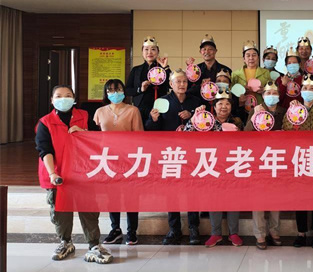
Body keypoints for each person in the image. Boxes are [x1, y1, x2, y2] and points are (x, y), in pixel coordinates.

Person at [35, 85, 113, 264]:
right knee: (60, 211)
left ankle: (94, 244)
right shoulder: (45, 122)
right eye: (59, 96)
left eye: (68, 95)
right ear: (52, 100)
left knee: (89, 210)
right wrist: (52, 173)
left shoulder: (84, 116)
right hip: (58, 174)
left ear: (74, 99)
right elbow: (44, 150)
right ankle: (65, 242)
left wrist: (83, 132)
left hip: (83, 172)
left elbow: (99, 138)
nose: (63, 99)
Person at [146, 69, 202, 245]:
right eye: (178, 81)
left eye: (184, 81)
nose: (182, 84)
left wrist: (192, 115)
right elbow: (151, 129)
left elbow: (204, 125)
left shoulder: (195, 101)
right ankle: (174, 229)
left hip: (191, 153)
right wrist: (154, 119)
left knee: (192, 191)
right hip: (170, 153)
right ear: (171, 84)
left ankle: (194, 228)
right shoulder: (162, 102)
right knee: (172, 192)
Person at [94, 79, 144, 246]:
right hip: (108, 159)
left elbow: (139, 135)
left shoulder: (133, 110)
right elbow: (94, 136)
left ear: (124, 91)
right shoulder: (100, 112)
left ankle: (132, 231)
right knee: (112, 195)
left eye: (118, 89)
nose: (115, 93)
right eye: (111, 90)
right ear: (106, 93)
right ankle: (115, 229)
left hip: (129, 159)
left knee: (131, 195)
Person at [283, 74, 313, 249]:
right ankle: (301, 233)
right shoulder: (293, 109)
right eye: (305, 88)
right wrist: (292, 115)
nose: (308, 91)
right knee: (300, 197)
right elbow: (286, 129)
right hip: (299, 157)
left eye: (311, 88)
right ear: (300, 91)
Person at [244, 81, 286, 250]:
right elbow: (246, 134)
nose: (271, 96)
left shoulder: (284, 112)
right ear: (263, 95)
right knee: (259, 198)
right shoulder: (256, 110)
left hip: (278, 159)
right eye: (268, 93)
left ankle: (274, 231)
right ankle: (260, 234)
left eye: (274, 93)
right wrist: (255, 116)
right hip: (259, 160)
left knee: (276, 198)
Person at [206, 88, 244, 247]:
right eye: (220, 103)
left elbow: (247, 142)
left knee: (233, 199)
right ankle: (215, 233)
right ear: (214, 106)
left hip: (232, 165)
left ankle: (233, 233)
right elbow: (189, 134)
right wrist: (195, 118)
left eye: (227, 104)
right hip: (212, 165)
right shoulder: (206, 120)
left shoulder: (237, 121)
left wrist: (238, 133)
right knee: (214, 199)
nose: (224, 107)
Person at [125, 36, 171, 124]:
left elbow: (171, 84)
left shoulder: (163, 69)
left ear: (158, 52)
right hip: (140, 108)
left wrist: (165, 67)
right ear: (142, 52)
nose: (149, 52)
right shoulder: (136, 70)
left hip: (159, 109)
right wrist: (140, 89)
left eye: (153, 49)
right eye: (146, 49)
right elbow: (127, 90)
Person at [231, 40, 271, 121]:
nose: (251, 58)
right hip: (241, 109)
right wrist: (241, 92)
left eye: (254, 55)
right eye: (248, 55)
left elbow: (271, 90)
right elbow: (231, 93)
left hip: (260, 108)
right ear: (244, 58)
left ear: (258, 57)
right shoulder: (235, 74)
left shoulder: (266, 73)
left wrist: (264, 90)